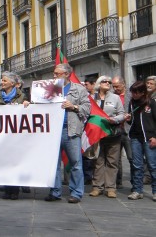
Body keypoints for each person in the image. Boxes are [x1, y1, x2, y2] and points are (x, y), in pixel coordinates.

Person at [44, 63, 90, 204]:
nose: (54, 75)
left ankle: (76, 193)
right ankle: (55, 191)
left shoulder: (79, 89)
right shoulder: (49, 88)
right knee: (53, 163)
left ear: (66, 74)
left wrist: (74, 106)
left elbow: (87, 108)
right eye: (54, 73)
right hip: (53, 130)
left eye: (57, 73)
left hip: (71, 130)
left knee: (75, 163)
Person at [0, 71, 29, 200]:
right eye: (2, 80)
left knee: (14, 161)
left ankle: (15, 190)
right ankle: (7, 189)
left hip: (16, 133)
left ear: (12, 83)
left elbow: (30, 110)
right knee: (5, 161)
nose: (2, 82)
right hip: (2, 133)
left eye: (5, 81)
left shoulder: (22, 95)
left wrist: (26, 105)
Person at [89, 75, 125, 198]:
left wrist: (114, 120)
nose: (108, 83)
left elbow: (122, 114)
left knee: (112, 161)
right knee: (98, 161)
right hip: (97, 135)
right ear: (99, 83)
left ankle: (110, 188)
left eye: (109, 82)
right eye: (105, 81)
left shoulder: (115, 98)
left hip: (112, 133)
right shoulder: (92, 98)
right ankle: (97, 187)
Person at [124, 81, 156, 201]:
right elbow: (131, 121)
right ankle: (137, 190)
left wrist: (155, 137)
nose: (134, 95)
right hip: (135, 137)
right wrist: (128, 119)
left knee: (152, 165)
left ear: (142, 92)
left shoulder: (151, 103)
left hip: (149, 138)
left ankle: (155, 191)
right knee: (137, 165)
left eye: (136, 92)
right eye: (132, 92)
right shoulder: (132, 103)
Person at [112, 75, 134, 190]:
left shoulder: (130, 96)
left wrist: (130, 116)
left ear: (123, 84)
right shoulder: (112, 97)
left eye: (117, 86)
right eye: (114, 86)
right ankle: (117, 181)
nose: (115, 88)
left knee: (131, 157)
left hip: (128, 130)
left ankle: (135, 182)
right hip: (116, 130)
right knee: (116, 158)